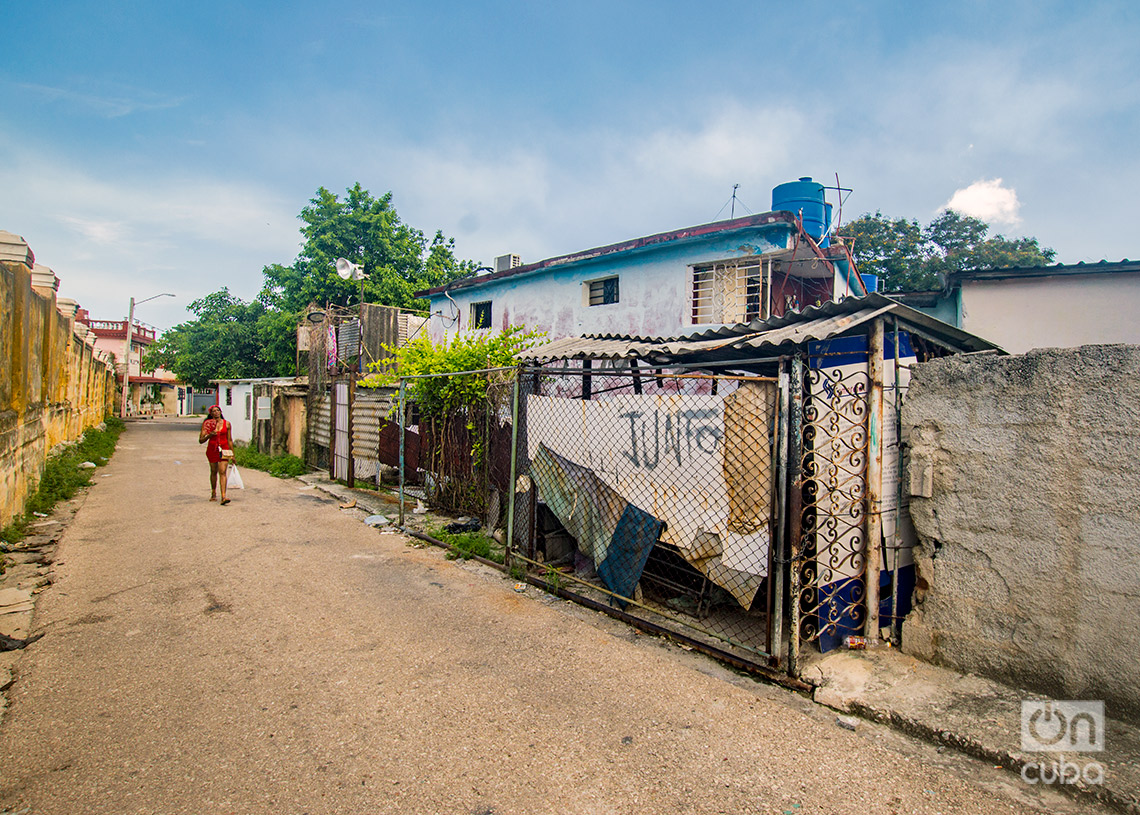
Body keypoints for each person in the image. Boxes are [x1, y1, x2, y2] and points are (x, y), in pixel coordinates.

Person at [199, 405, 235, 505]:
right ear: (211, 414)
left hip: (224, 450)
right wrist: (210, 435)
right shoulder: (207, 424)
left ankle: (223, 496)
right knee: (214, 471)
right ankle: (214, 492)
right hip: (212, 449)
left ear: (220, 412)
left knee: (222, 471)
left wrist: (233, 455)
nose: (216, 412)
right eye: (214, 411)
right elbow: (201, 440)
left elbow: (230, 440)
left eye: (217, 410)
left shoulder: (227, 424)